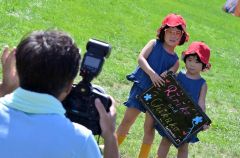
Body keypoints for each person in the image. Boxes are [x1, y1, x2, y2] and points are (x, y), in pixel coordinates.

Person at [0, 30, 119, 158]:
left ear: (18, 70)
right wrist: (110, 135)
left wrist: (5, 89)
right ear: (69, 86)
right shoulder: (80, 140)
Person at [116, 13, 189, 158]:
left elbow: (169, 76)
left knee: (148, 129)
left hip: (156, 97)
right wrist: (152, 74)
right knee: (127, 120)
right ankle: (112, 147)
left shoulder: (175, 61)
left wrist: (167, 74)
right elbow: (141, 58)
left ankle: (143, 156)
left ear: (181, 37)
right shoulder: (153, 44)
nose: (173, 35)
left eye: (177, 33)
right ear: (163, 32)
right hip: (141, 87)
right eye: (170, 31)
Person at [156, 41, 211, 158]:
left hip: (188, 119)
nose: (192, 64)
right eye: (190, 60)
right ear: (185, 59)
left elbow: (201, 103)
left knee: (183, 146)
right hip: (173, 115)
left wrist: (203, 120)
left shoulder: (202, 84)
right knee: (166, 140)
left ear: (204, 65)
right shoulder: (178, 76)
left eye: (197, 62)